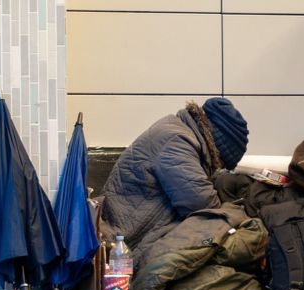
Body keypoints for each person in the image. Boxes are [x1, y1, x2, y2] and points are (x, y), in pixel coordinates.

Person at [97, 98, 249, 268]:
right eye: (220, 164)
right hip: (121, 246)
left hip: (128, 241)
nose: (217, 169)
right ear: (217, 150)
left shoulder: (178, 131)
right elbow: (203, 206)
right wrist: (238, 214)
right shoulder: (178, 141)